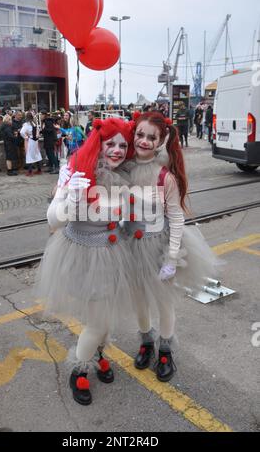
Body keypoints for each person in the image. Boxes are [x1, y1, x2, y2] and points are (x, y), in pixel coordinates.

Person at [35, 118, 137, 406]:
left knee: (104, 318)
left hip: (113, 255)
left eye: (122, 145)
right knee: (98, 321)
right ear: (99, 143)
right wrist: (71, 195)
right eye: (111, 143)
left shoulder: (125, 175)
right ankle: (79, 370)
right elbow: (53, 220)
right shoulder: (76, 170)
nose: (117, 150)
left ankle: (99, 354)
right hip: (83, 256)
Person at [123, 111, 218, 382]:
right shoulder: (124, 169)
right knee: (139, 301)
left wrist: (172, 257)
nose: (143, 141)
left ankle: (165, 350)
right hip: (130, 247)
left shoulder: (165, 177)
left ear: (160, 141)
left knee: (164, 302)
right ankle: (146, 342)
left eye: (150, 137)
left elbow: (176, 218)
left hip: (159, 247)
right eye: (139, 135)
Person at [20, 112, 42, 177]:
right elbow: (38, 131)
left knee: (29, 155)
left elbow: (22, 132)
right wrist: (37, 136)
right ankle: (39, 169)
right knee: (36, 154)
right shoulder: (34, 123)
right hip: (35, 141)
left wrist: (26, 137)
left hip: (30, 141)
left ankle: (30, 171)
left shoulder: (26, 124)